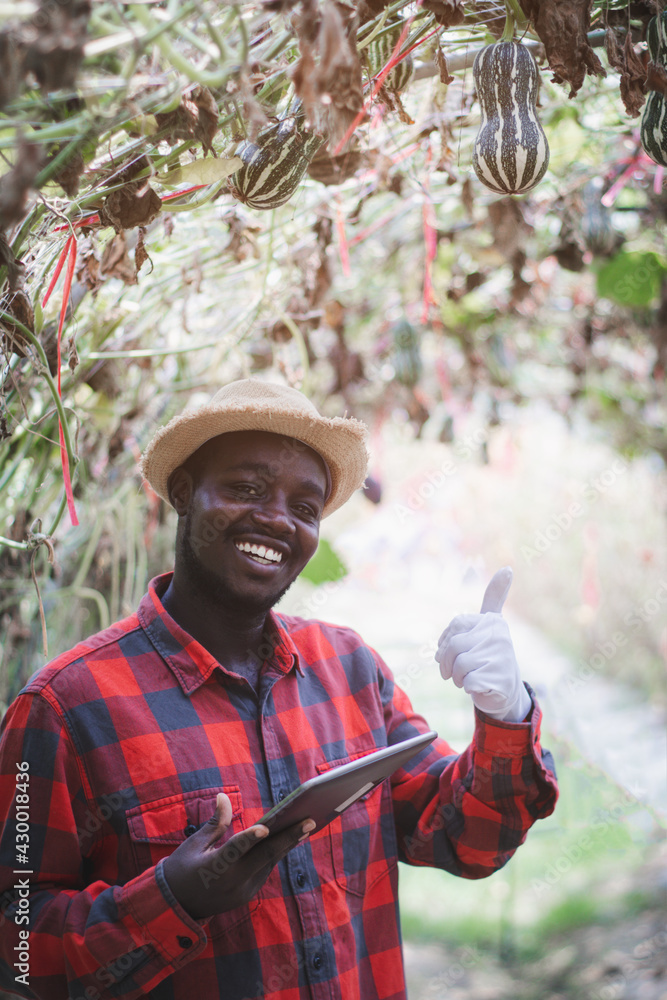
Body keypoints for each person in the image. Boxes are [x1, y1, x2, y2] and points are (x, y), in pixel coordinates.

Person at [0, 378, 558, 1000]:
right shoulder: (64, 708)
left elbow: (467, 841)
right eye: (246, 488)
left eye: (305, 507)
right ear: (183, 492)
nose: (276, 520)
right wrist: (172, 900)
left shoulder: (350, 669)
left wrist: (506, 715)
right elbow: (15, 951)